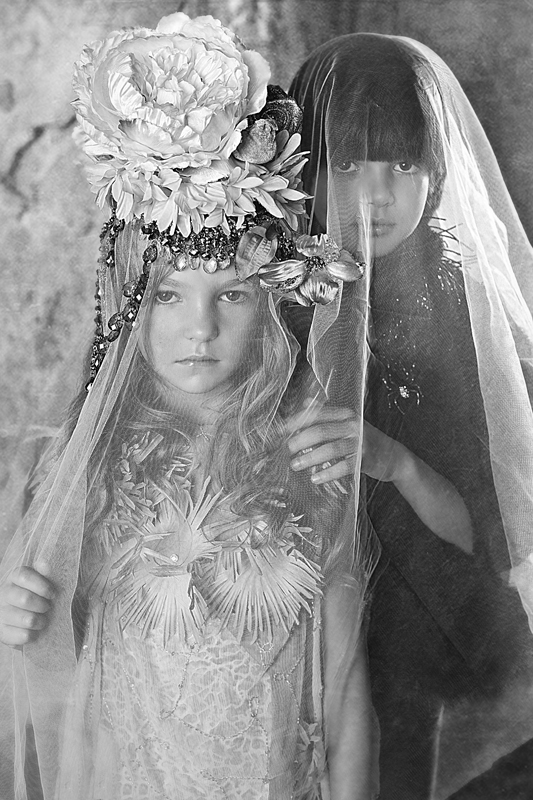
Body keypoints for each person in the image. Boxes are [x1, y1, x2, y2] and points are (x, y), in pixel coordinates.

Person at [0, 14, 380, 799]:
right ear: (127, 304)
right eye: (168, 295)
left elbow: (345, 700)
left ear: (269, 308)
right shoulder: (75, 467)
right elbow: (47, 670)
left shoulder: (309, 456)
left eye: (231, 295)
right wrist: (14, 617)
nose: (198, 329)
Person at [287, 32, 533, 799]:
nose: (376, 195)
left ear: (437, 168)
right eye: (346, 165)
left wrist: (393, 462)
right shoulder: (260, 297)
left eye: (401, 165)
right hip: (273, 637)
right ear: (301, 168)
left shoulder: (460, 314)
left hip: (418, 647)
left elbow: (484, 540)